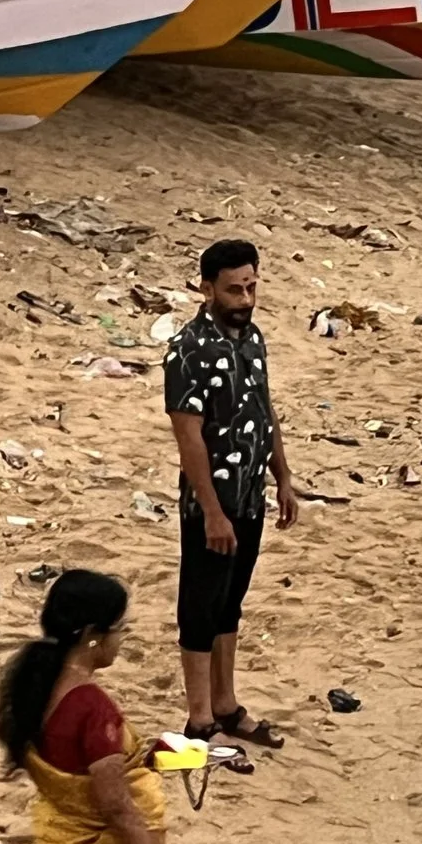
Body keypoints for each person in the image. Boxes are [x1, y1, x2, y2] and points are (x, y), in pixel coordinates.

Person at [164, 238, 295, 751]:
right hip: (211, 503)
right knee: (200, 607)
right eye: (235, 290)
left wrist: (282, 476)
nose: (245, 299)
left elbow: (264, 410)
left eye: (251, 287)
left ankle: (226, 704)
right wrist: (212, 512)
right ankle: (199, 719)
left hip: (250, 495)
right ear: (207, 289)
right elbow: (188, 437)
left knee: (229, 604)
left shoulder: (252, 339)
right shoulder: (188, 350)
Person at [0, 570, 187, 844]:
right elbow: (117, 808)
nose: (122, 638)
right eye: (119, 628)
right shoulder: (93, 708)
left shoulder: (34, 687)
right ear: (92, 636)